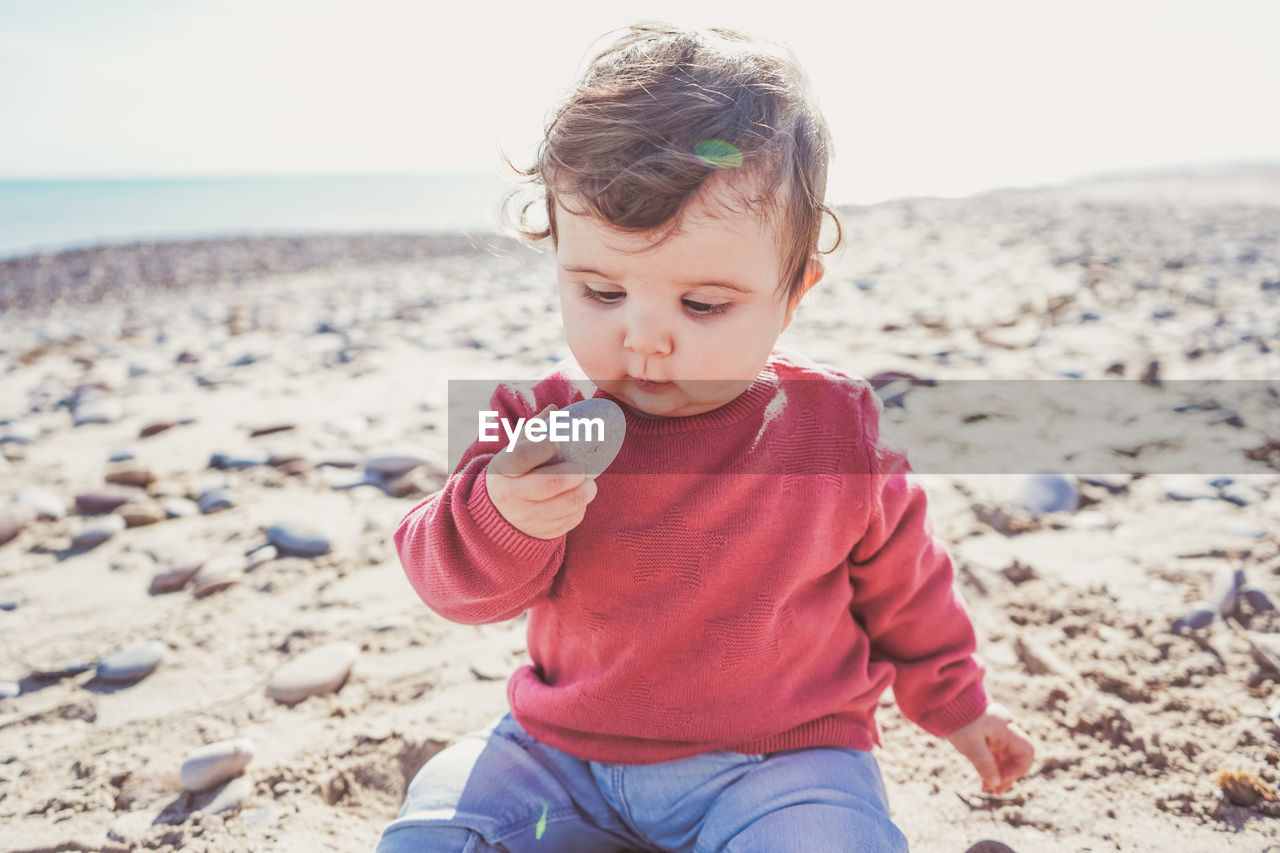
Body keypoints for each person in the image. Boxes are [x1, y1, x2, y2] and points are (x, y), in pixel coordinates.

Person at [378, 21, 1034, 853]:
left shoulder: (836, 433)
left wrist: (960, 704)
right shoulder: (534, 421)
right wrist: (503, 511)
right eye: (602, 290)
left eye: (702, 306)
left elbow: (907, 590)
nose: (644, 338)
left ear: (792, 294)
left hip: (779, 762)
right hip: (562, 754)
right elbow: (452, 586)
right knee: (437, 825)